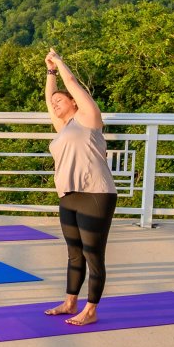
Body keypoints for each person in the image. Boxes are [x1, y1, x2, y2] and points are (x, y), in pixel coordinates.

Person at [42, 48, 117, 326]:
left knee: (92, 253)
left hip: (96, 194)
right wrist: (49, 73)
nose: (55, 104)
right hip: (69, 196)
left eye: (61, 100)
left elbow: (71, 82)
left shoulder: (89, 118)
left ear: (74, 102)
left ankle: (91, 309)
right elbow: (49, 102)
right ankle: (70, 301)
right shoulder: (63, 127)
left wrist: (59, 62)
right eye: (54, 102)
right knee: (74, 253)